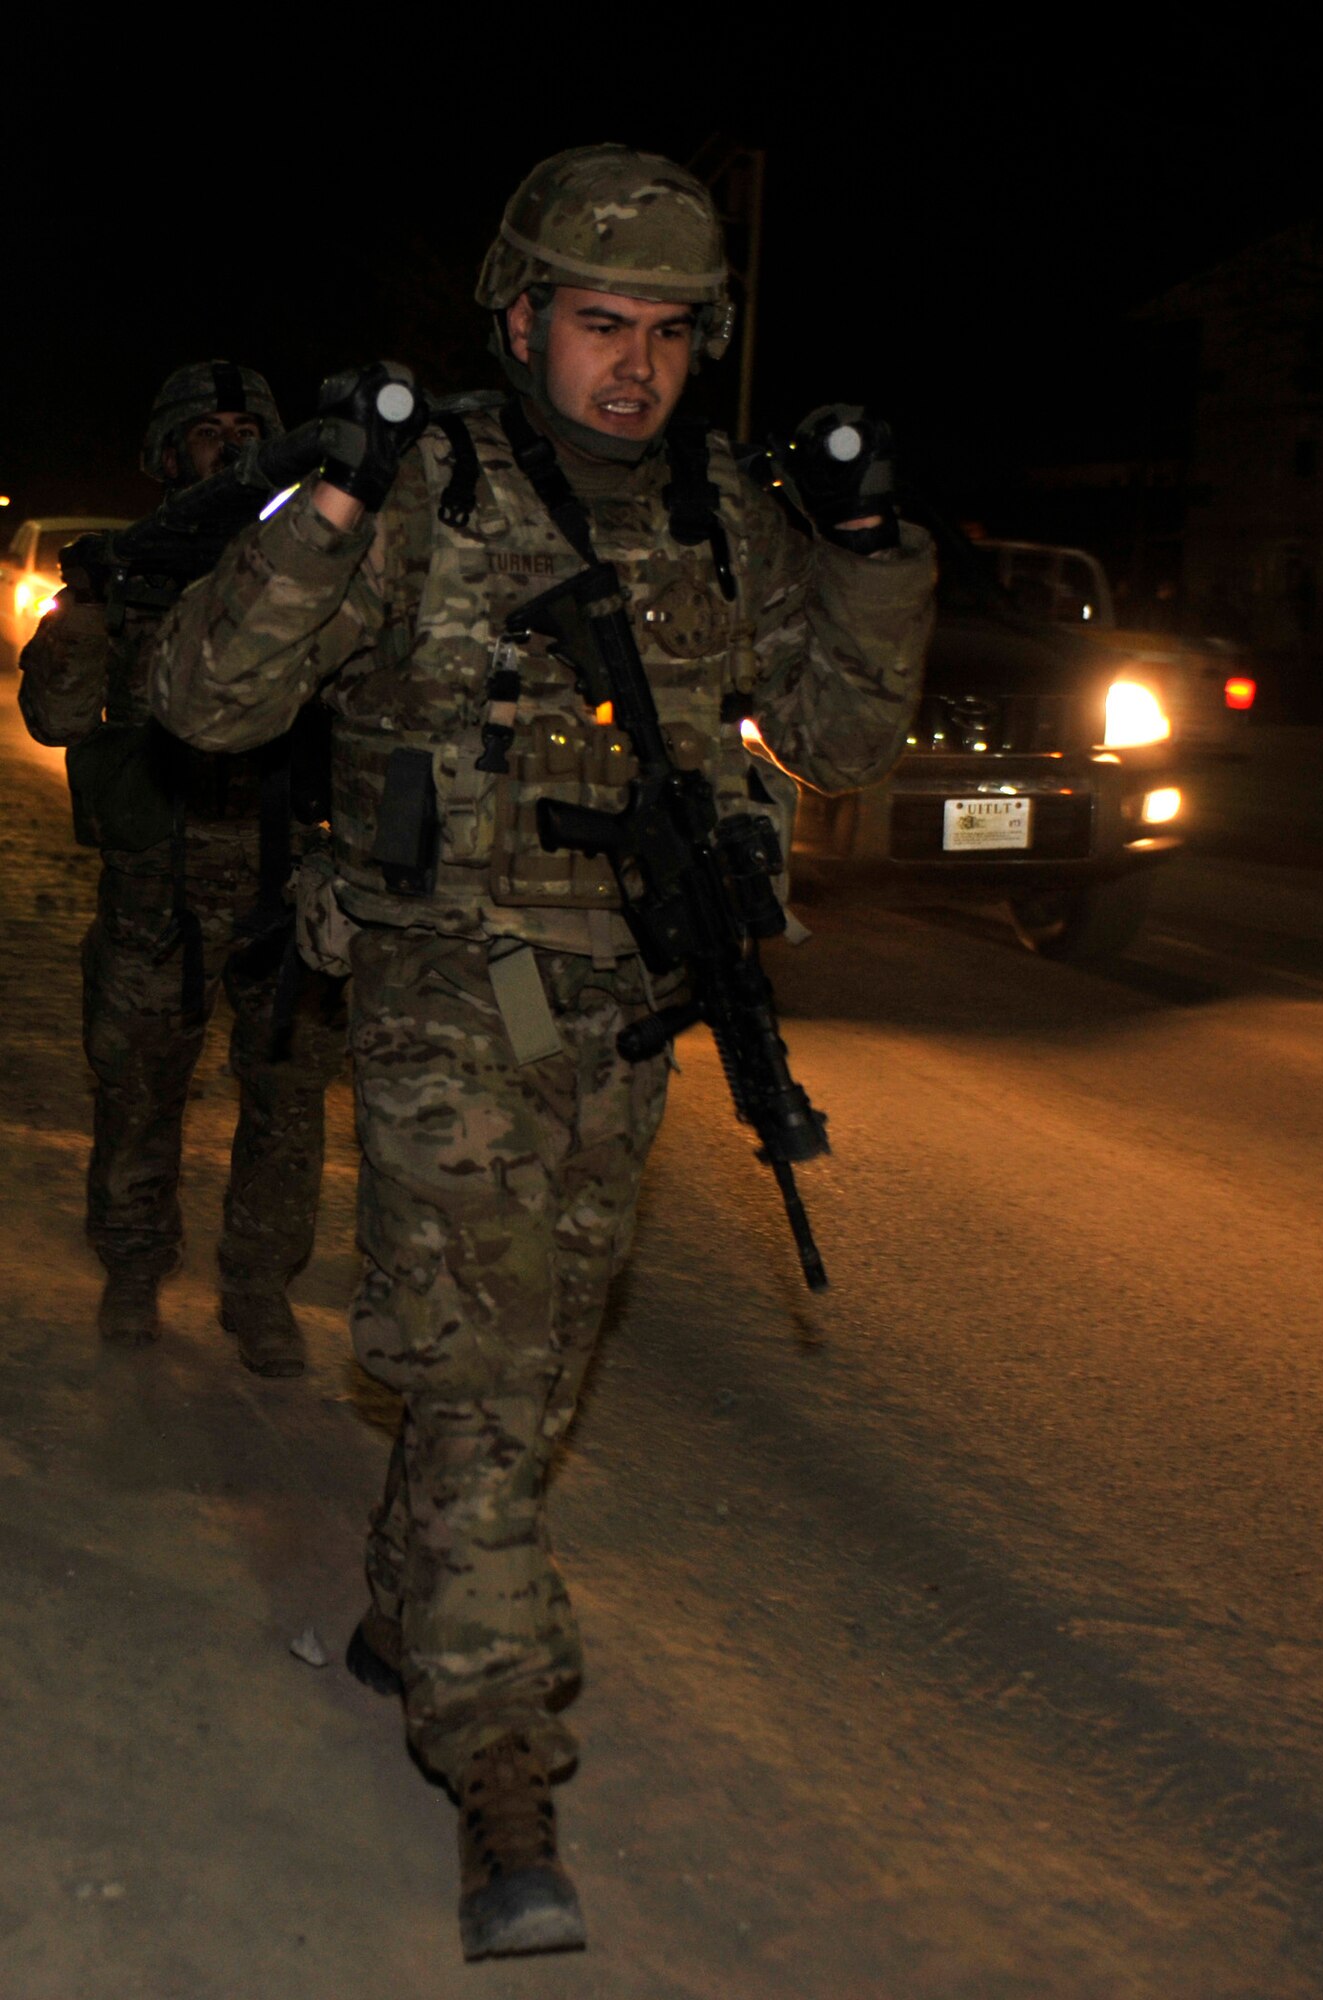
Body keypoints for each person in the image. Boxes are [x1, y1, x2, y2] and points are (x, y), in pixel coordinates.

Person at [149, 147, 936, 1960]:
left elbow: (838, 742)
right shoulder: (422, 491)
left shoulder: (722, 516)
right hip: (447, 998)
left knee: (529, 1353)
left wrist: (871, 556)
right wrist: (324, 507)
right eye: (600, 323)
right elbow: (206, 701)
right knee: (490, 1371)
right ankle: (502, 1764)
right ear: (520, 322)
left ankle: (402, 1610)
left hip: (625, 1012)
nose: (634, 365)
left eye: (666, 331)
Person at [18, 361, 347, 1375]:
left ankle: (258, 1288)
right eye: (211, 431)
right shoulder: (132, 574)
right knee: (137, 1086)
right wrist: (87, 609)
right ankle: (132, 1264)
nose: (233, 446)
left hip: (285, 882)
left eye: (251, 429)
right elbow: (54, 720)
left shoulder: (321, 573)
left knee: (288, 1100)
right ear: (167, 454)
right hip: (157, 885)